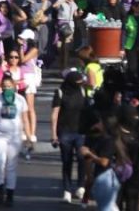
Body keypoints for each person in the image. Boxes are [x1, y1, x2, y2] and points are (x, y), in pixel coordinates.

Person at [0, 75, 30, 207]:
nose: (7, 89)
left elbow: (25, 119)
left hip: (15, 136)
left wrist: (28, 137)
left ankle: (10, 194)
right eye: (4, 86)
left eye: (9, 86)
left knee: (11, 166)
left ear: (14, 86)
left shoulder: (21, 100)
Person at [51, 69, 87, 203]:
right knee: (67, 161)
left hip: (80, 131)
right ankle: (67, 189)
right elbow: (55, 114)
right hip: (64, 131)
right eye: (78, 82)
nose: (80, 84)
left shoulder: (82, 92)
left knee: (82, 157)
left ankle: (81, 186)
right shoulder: (60, 93)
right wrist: (54, 135)